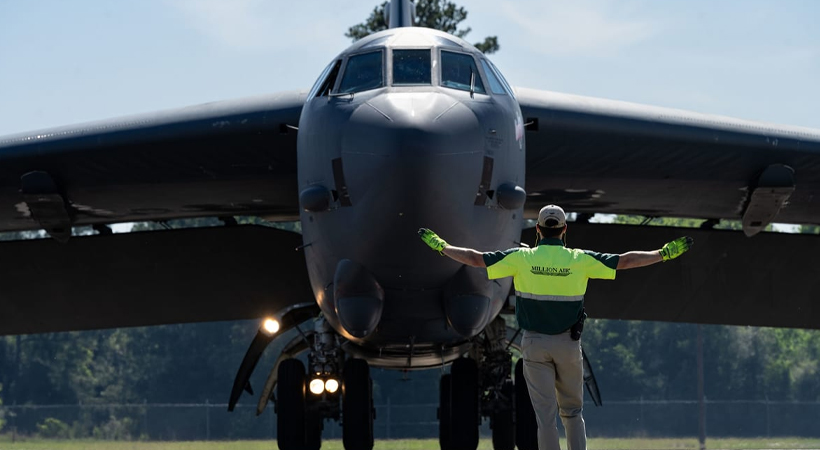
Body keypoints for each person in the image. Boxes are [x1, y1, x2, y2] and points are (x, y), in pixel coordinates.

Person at [418, 205, 693, 450]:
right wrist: (663, 253)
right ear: (564, 230)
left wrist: (442, 246)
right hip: (568, 346)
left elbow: (476, 258)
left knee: (545, 418)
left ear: (538, 229)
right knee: (572, 413)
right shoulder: (579, 259)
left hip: (534, 346)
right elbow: (625, 260)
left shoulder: (521, 258)